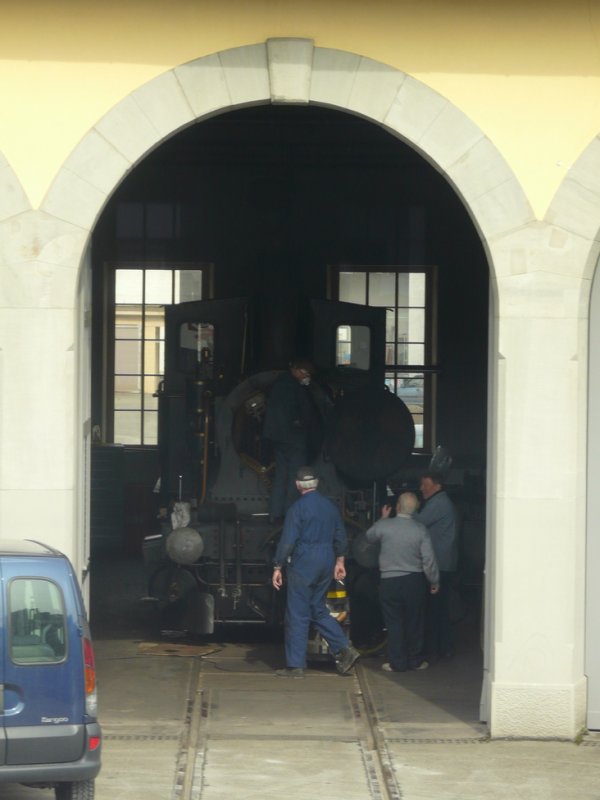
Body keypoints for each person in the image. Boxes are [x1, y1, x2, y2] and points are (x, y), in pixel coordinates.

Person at [272, 466, 360, 678]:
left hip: (304, 561)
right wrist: (340, 561)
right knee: (317, 608)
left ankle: (295, 665)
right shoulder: (331, 507)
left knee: (297, 613)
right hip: (326, 559)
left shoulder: (297, 509)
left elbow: (288, 541)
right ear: (317, 483)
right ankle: (344, 648)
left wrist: (277, 566)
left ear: (297, 485)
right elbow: (340, 535)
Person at [366, 492, 439, 672]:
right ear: (415, 510)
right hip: (414, 581)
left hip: (389, 582)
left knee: (394, 623)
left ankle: (397, 663)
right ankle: (415, 660)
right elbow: (428, 559)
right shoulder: (420, 529)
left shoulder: (385, 526)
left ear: (397, 507)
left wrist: (382, 519)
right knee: (415, 622)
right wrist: (434, 580)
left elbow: (369, 536)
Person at [263, 359, 316, 523]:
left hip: (277, 438)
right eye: (306, 374)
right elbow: (306, 413)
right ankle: (290, 514)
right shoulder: (295, 388)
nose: (306, 378)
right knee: (296, 476)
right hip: (293, 438)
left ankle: (275, 513)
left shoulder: (278, 384)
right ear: (297, 370)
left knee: (281, 474)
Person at [414, 471, 458, 660]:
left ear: (437, 485)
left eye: (425, 484)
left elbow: (417, 522)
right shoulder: (441, 502)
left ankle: (435, 649)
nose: (421, 489)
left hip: (439, 565)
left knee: (435, 609)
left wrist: (408, 508)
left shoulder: (438, 503)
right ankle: (442, 648)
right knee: (439, 608)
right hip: (444, 563)